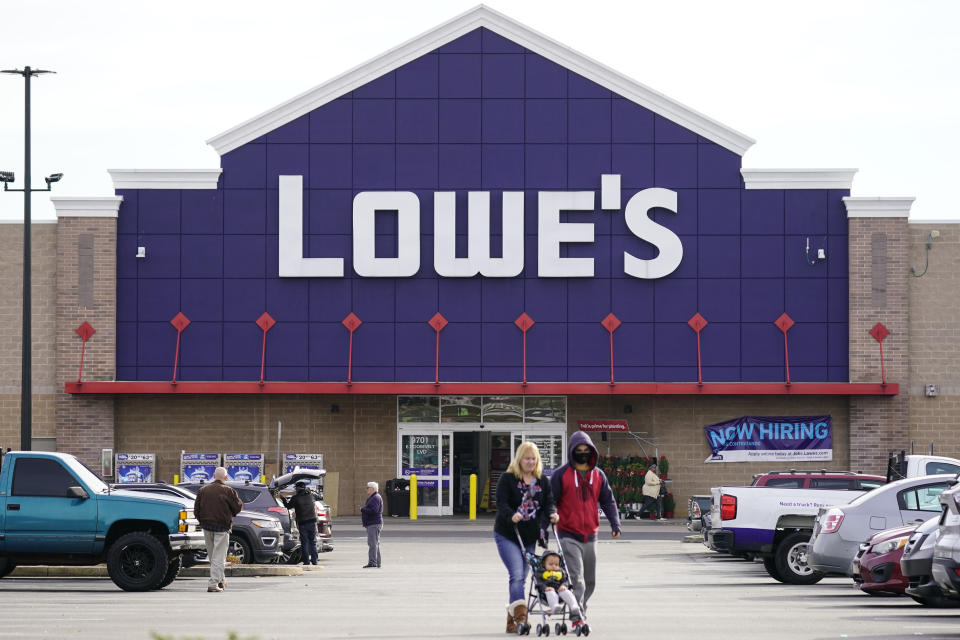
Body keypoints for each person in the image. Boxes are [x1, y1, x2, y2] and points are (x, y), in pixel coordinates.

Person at [550, 431, 621, 611]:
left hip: (591, 535)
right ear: (572, 452)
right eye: (578, 451)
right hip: (567, 534)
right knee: (577, 577)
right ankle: (577, 613)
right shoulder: (561, 474)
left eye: (586, 450)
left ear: (592, 452)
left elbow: (608, 500)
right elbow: (550, 501)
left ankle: (580, 607)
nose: (582, 454)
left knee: (590, 580)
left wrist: (615, 523)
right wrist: (545, 526)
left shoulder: (598, 475)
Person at [494, 441, 558, 634]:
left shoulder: (542, 481)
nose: (530, 462)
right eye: (526, 458)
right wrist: (511, 514)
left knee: (522, 579)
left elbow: (549, 503)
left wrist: (553, 513)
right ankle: (522, 619)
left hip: (529, 536)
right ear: (519, 459)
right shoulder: (508, 479)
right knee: (517, 575)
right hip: (508, 533)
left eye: (533, 458)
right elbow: (501, 502)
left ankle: (511, 621)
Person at [193, 466, 243, 592]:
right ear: (225, 478)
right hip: (222, 527)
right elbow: (237, 508)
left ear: (214, 476)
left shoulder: (203, 490)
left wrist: (202, 520)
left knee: (213, 556)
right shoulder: (229, 491)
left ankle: (221, 581)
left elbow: (196, 510)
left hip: (206, 526)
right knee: (219, 557)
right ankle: (213, 583)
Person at [535, 551, 583, 630]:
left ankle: (574, 606)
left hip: (560, 592)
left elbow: (566, 580)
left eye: (556, 565)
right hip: (547, 594)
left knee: (567, 592)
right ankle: (554, 607)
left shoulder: (561, 571)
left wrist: (564, 585)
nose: (554, 566)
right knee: (551, 592)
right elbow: (539, 583)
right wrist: (545, 588)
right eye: (551, 564)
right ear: (544, 564)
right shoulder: (541, 572)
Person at [285, 480, 319, 565]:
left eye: (296, 488)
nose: (295, 489)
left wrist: (283, 499)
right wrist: (311, 491)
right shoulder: (311, 495)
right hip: (312, 522)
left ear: (298, 488)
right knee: (313, 542)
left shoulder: (295, 498)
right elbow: (320, 496)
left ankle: (306, 561)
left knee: (305, 543)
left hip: (303, 523)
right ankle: (315, 561)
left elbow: (288, 506)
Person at [360, 481, 383, 568]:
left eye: (367, 488)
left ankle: (373, 562)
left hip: (374, 523)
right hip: (372, 523)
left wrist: (363, 509)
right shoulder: (373, 497)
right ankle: (376, 562)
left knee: (372, 543)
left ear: (372, 489)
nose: (366, 489)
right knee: (375, 543)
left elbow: (374, 511)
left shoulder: (375, 498)